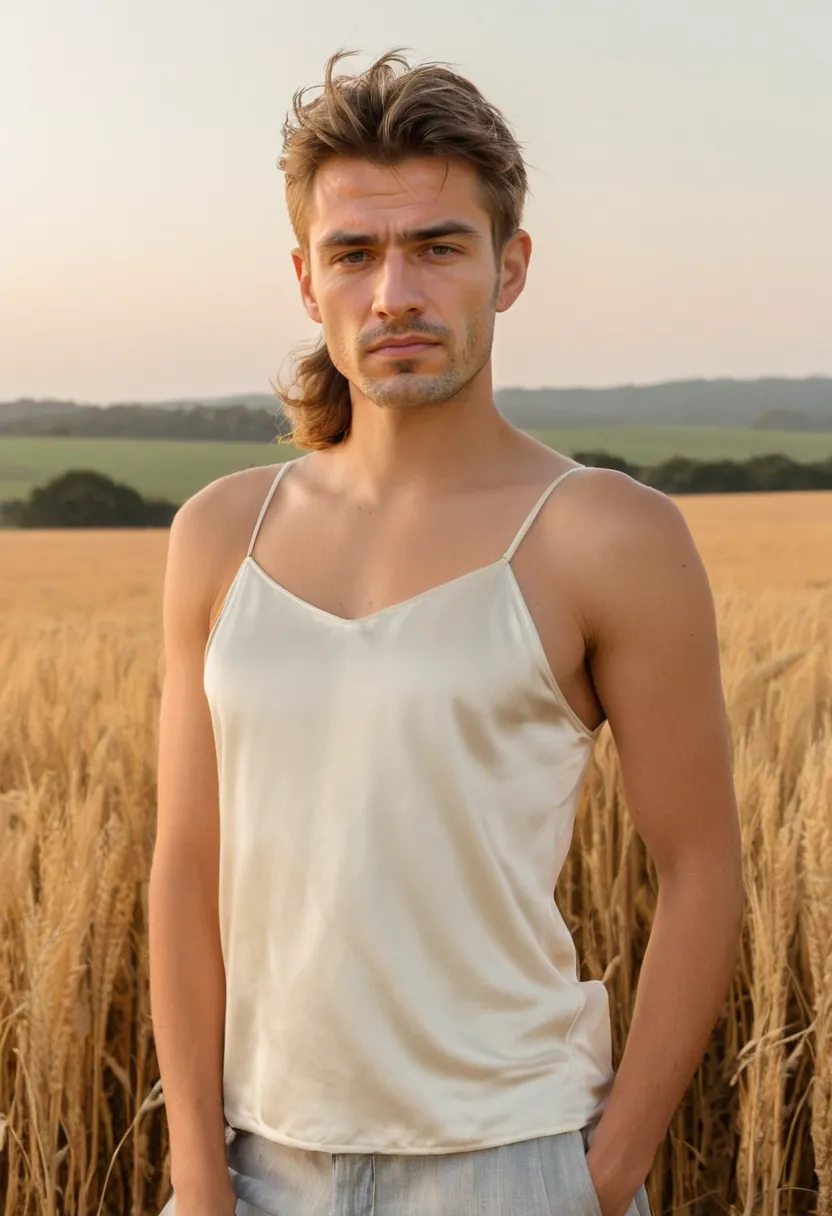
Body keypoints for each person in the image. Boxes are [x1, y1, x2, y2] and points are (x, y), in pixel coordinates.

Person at [149, 48, 744, 1216]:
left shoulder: (605, 536)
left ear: (508, 267)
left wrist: (598, 1174)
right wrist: (195, 1177)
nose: (395, 296)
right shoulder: (219, 533)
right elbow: (184, 867)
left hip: (510, 1163)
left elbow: (700, 866)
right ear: (303, 278)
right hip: (252, 1169)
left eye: (437, 247)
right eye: (355, 253)